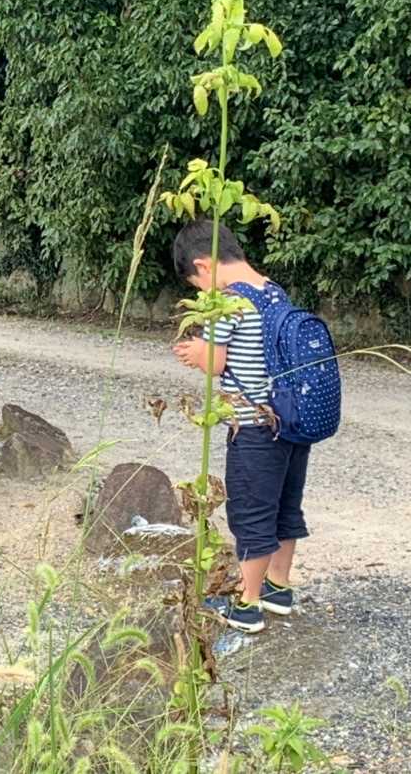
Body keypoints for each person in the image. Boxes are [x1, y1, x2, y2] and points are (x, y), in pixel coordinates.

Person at [171, 219, 307, 633]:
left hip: (251, 426)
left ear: (203, 265)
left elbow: (216, 362)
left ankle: (247, 605)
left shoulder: (227, 302)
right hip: (288, 421)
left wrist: (195, 351)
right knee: (285, 505)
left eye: (197, 285)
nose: (201, 294)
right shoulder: (273, 291)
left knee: (251, 511)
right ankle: (277, 588)